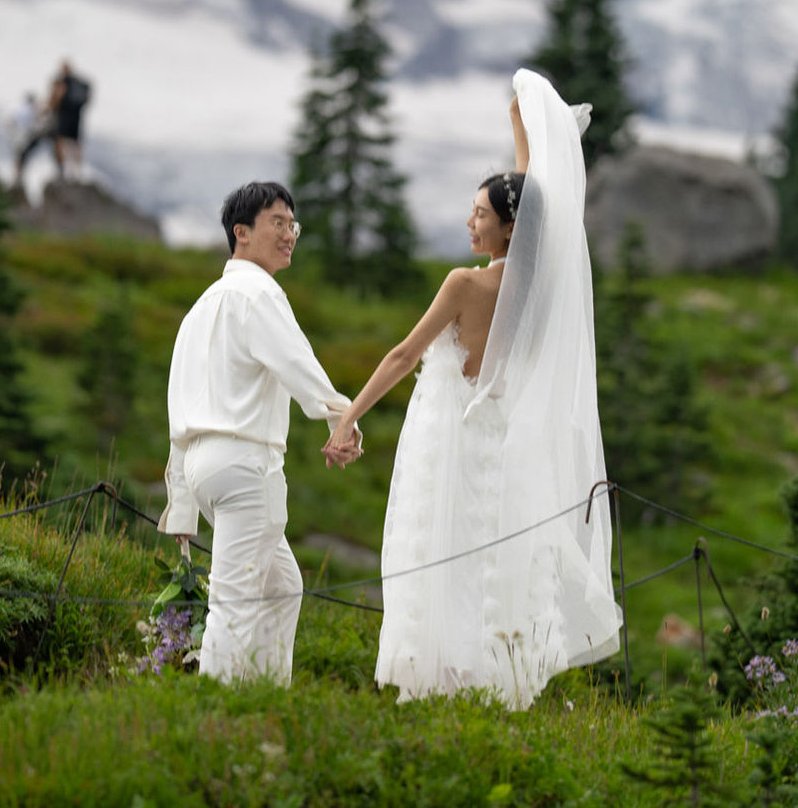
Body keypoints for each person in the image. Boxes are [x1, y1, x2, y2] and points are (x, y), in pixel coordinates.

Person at [322, 69, 620, 709]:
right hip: (504, 442)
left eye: (480, 214)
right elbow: (531, 199)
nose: (470, 221)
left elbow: (404, 354)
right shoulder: (536, 287)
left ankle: (436, 679)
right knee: (494, 560)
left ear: (507, 227)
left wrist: (350, 415)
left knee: (442, 550)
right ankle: (496, 683)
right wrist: (520, 123)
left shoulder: (465, 284)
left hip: (451, 437)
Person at [158, 181, 359, 685]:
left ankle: (261, 699)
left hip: (205, 472)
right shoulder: (259, 292)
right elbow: (297, 363)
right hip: (246, 468)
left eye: (293, 225)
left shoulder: (199, 308)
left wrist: (182, 502)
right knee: (234, 605)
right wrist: (341, 419)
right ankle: (217, 710)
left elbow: (178, 409)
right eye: (277, 223)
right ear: (241, 232)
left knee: (283, 587)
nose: (289, 234)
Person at [49, 59, 92, 179]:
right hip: (76, 116)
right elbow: (88, 98)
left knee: (61, 141)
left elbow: (57, 97)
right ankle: (77, 170)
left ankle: (63, 170)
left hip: (64, 116)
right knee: (75, 143)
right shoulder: (80, 83)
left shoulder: (62, 81)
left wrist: (52, 107)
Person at [9, 90, 53, 185]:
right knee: (22, 158)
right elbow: (39, 121)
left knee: (20, 158)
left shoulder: (20, 110)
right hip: (26, 138)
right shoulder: (30, 110)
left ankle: (17, 177)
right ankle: (18, 177)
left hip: (18, 138)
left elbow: (11, 123)